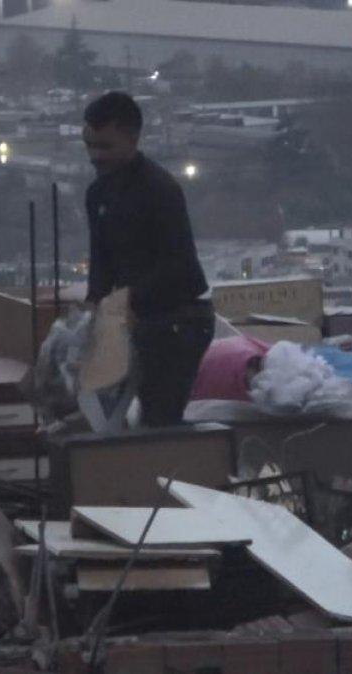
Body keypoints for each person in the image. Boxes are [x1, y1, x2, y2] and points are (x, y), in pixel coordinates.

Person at [82, 91, 213, 427]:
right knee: (101, 418)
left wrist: (126, 299)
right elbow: (102, 259)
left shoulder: (159, 190)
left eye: (105, 147)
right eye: (90, 146)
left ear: (133, 139)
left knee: (159, 420)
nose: (96, 157)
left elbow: (181, 267)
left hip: (177, 321)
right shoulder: (98, 193)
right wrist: (93, 306)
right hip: (133, 317)